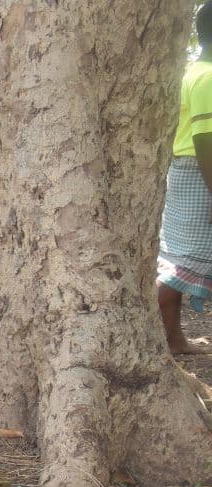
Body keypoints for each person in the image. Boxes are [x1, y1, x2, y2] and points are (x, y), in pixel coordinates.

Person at [157, 0, 212, 355]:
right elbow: (205, 138)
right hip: (199, 172)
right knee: (182, 262)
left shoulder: (192, 71)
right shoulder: (208, 76)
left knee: (180, 258)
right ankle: (173, 339)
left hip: (186, 170)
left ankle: (175, 338)